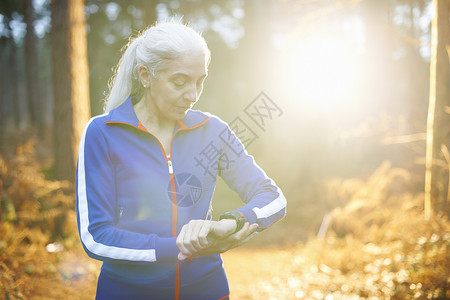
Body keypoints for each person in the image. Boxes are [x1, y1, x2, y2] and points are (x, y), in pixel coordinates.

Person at [76, 22, 286, 300]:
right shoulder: (102, 133)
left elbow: (271, 197)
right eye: (180, 82)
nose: (193, 94)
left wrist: (229, 223)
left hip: (207, 290)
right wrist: (178, 247)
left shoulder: (214, 130)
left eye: (200, 81)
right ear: (145, 75)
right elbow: (96, 237)